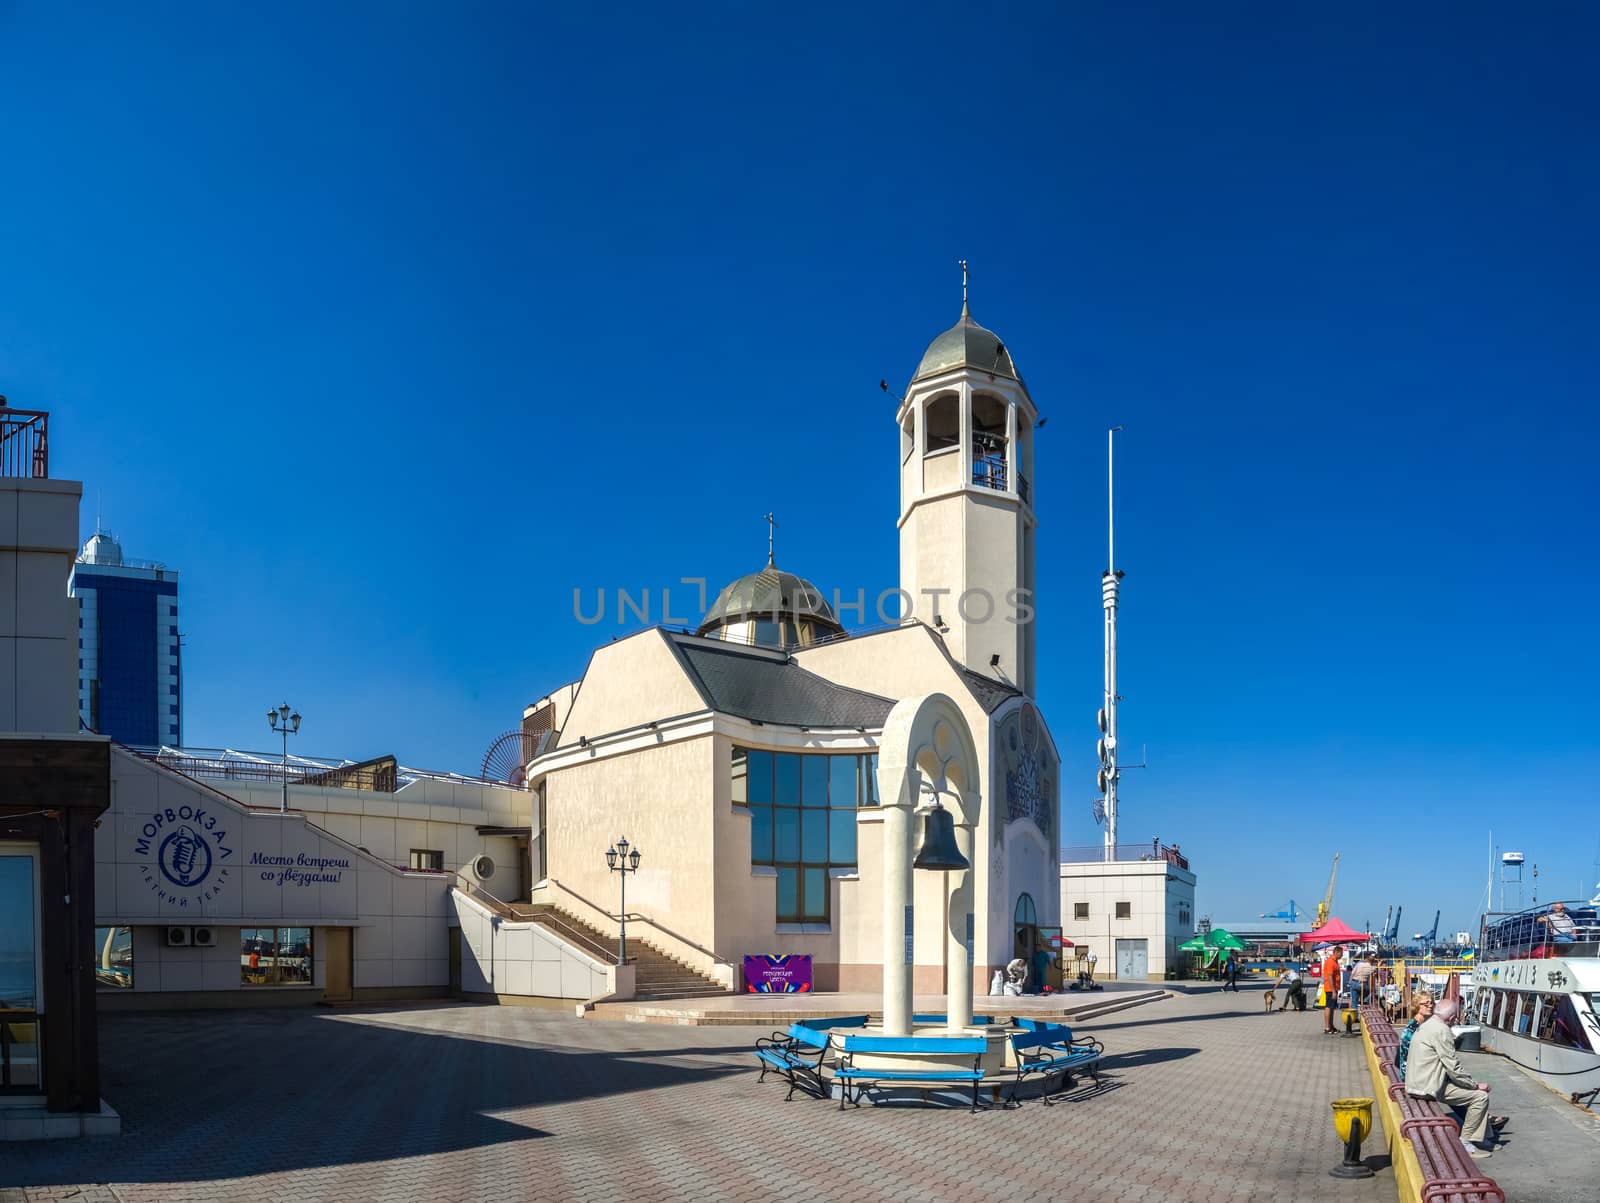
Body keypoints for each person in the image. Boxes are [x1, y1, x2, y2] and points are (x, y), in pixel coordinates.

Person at [1405, 997, 1499, 1160]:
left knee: (1469, 1091)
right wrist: (1475, 1086)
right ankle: (1467, 1141)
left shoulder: (1428, 1024)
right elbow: (1453, 1067)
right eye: (1455, 1018)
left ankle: (1482, 1138)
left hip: (1417, 1082)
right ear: (1451, 1018)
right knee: (1480, 1097)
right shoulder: (1442, 1031)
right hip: (1427, 1087)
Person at [1396, 990, 1434, 1082]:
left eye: (1432, 1002)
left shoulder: (1424, 1024)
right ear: (1417, 1006)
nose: (1430, 1005)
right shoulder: (1412, 1029)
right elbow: (1407, 1058)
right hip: (1412, 1077)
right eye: (1426, 1003)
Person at [1322, 948, 1343, 1034]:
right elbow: (1330, 976)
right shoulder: (1331, 961)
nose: (1342, 955)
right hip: (1331, 988)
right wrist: (1333, 991)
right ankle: (1327, 1027)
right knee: (1329, 1006)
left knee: (1332, 1007)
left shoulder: (1335, 961)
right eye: (1341, 953)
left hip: (1334, 988)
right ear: (1336, 952)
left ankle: (1331, 1026)